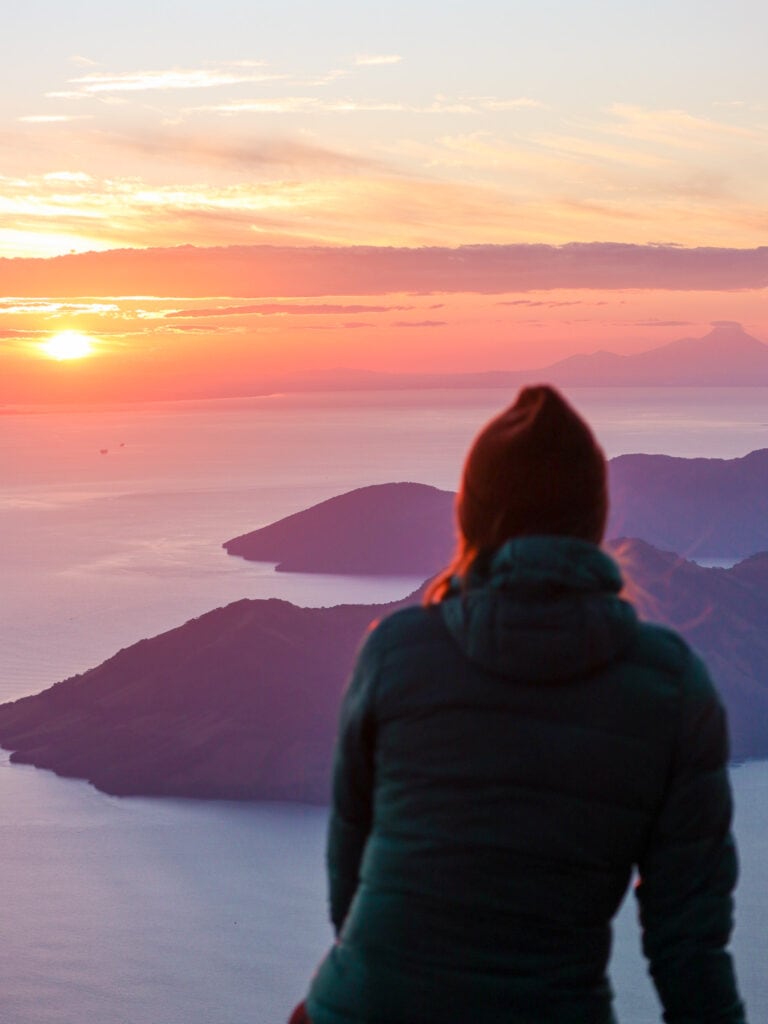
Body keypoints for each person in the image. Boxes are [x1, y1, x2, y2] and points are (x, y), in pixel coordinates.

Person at [292, 385, 746, 1024]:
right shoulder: (670, 685)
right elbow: (689, 944)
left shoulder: (396, 652)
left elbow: (352, 881)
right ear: (592, 521)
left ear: (472, 517)